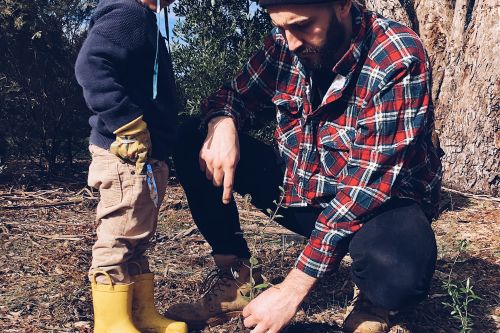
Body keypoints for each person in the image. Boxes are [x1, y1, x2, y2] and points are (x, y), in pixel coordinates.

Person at [167, 0, 442, 332]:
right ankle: (236, 278)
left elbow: (365, 189)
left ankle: (374, 302)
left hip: (381, 206)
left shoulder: (395, 56)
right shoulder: (285, 43)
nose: (291, 41)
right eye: (281, 27)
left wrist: (291, 290)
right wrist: (222, 122)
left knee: (398, 274)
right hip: (304, 193)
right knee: (192, 137)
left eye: (301, 25)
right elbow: (233, 95)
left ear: (342, 5)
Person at [75, 0, 187, 332]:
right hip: (125, 153)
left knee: (137, 236)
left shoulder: (144, 18)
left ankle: (139, 314)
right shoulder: (129, 14)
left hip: (144, 157)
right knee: (119, 234)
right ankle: (112, 323)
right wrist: (127, 123)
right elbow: (91, 65)